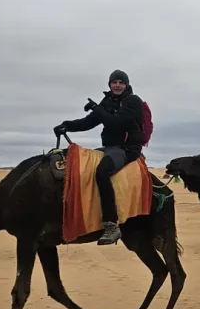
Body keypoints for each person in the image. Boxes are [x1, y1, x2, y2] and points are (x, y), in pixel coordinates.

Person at [54, 69, 145, 245]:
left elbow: (115, 122)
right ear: (109, 84)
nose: (117, 85)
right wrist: (66, 126)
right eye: (114, 82)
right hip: (109, 148)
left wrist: (97, 109)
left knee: (103, 172)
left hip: (127, 149)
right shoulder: (108, 101)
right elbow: (88, 122)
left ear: (126, 85)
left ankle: (111, 224)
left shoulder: (133, 101)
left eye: (121, 82)